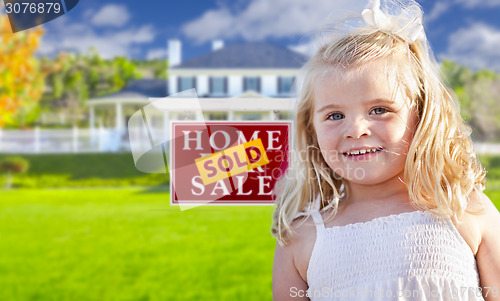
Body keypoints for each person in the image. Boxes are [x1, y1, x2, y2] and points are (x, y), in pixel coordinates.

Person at [271, 0, 500, 300]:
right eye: (335, 116)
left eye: (379, 109)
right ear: (310, 128)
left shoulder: (464, 208)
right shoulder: (301, 237)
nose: (355, 129)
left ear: (422, 116)